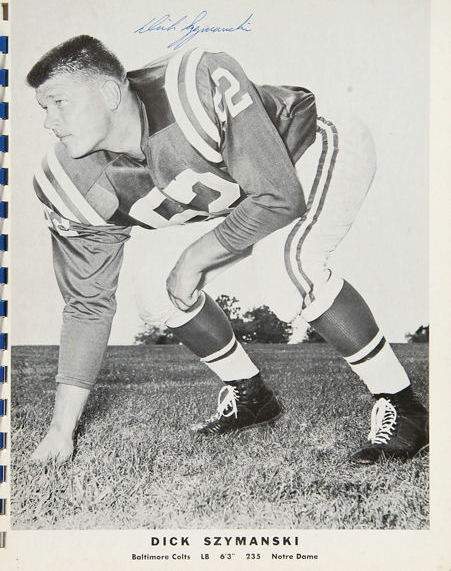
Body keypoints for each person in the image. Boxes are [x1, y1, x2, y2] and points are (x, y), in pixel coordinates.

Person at [27, 35, 428, 465]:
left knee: (288, 269)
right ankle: (251, 396)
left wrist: (194, 259)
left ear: (109, 92)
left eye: (59, 102)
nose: (49, 122)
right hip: (241, 195)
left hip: (306, 150)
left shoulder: (191, 84)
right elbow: (87, 305)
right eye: (43, 109)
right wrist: (60, 432)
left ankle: (404, 408)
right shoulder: (70, 183)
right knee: (155, 293)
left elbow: (278, 196)